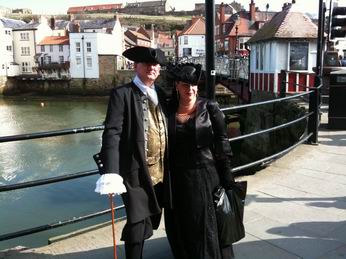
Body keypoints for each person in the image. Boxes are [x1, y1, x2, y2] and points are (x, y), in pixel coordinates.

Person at [94, 46, 171, 259]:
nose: (152, 68)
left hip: (162, 172)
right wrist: (111, 172)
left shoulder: (162, 94)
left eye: (155, 65)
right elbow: (112, 133)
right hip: (135, 173)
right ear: (135, 66)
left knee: (152, 219)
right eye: (146, 63)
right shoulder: (122, 94)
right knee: (138, 221)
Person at [164, 63, 235, 259]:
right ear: (177, 85)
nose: (191, 89)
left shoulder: (209, 107)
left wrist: (227, 175)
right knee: (184, 223)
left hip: (206, 175)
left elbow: (222, 140)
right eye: (186, 85)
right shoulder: (168, 110)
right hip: (179, 178)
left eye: (194, 85)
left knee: (208, 224)